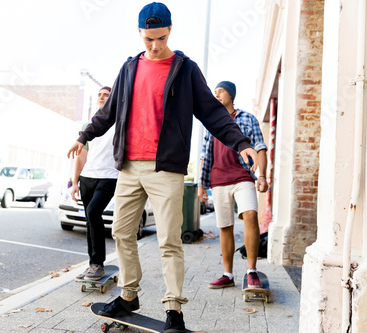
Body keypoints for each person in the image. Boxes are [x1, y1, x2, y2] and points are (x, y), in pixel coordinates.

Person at [67, 3, 260, 332]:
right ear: (139, 33)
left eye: (160, 38)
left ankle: (174, 311)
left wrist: (241, 142)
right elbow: (109, 112)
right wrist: (84, 136)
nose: (154, 45)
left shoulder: (185, 69)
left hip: (166, 169)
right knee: (121, 232)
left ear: (170, 31)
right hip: (128, 167)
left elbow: (213, 113)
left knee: (169, 240)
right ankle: (129, 296)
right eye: (148, 39)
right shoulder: (129, 69)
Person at [197, 81, 268, 290]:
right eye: (214, 92)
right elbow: (205, 155)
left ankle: (251, 270)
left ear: (231, 94)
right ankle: (228, 274)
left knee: (251, 215)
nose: (216, 94)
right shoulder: (211, 122)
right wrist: (201, 185)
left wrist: (262, 175)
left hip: (243, 176)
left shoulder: (248, 118)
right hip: (218, 180)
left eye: (220, 91)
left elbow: (260, 147)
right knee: (225, 226)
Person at [72, 86, 118, 281]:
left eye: (106, 95)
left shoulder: (118, 123)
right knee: (90, 220)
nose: (101, 97)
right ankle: (93, 264)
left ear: (112, 99)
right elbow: (81, 157)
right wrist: (75, 183)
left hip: (109, 176)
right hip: (87, 178)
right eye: (99, 94)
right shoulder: (88, 126)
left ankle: (98, 264)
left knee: (93, 212)